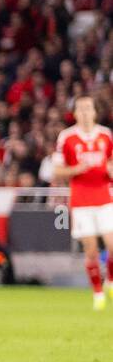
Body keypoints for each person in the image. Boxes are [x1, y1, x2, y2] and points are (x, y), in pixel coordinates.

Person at [49, 96, 112, 310]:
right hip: (82, 200)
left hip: (104, 196)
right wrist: (76, 170)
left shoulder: (105, 134)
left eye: (88, 108)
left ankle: (110, 280)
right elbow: (56, 170)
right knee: (91, 250)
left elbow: (111, 162)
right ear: (75, 113)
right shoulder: (67, 137)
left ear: (95, 112)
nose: (85, 112)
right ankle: (98, 294)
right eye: (80, 109)